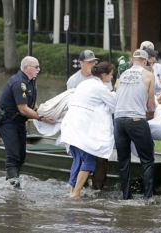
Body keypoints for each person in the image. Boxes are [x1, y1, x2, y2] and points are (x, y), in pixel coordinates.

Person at [0, 56, 56, 188]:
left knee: (21, 155)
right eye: (36, 67)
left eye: (38, 67)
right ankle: (14, 188)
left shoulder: (31, 81)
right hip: (7, 121)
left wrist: (44, 113)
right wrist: (40, 118)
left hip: (19, 122)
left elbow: (32, 103)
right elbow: (23, 109)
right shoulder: (19, 83)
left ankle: (10, 180)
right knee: (13, 155)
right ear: (25, 68)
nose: (38, 69)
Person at [60, 62, 116, 198]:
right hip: (81, 127)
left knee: (77, 160)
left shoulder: (83, 84)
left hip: (69, 123)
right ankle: (76, 193)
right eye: (111, 75)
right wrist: (116, 91)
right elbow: (115, 106)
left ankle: (72, 191)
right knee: (89, 160)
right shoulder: (101, 88)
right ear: (104, 75)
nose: (112, 77)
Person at [114, 49, 156, 200]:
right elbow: (150, 106)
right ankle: (147, 198)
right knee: (147, 159)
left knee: (123, 160)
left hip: (118, 121)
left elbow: (116, 92)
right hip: (136, 120)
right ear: (145, 62)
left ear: (132, 61)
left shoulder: (123, 75)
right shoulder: (149, 75)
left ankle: (126, 196)